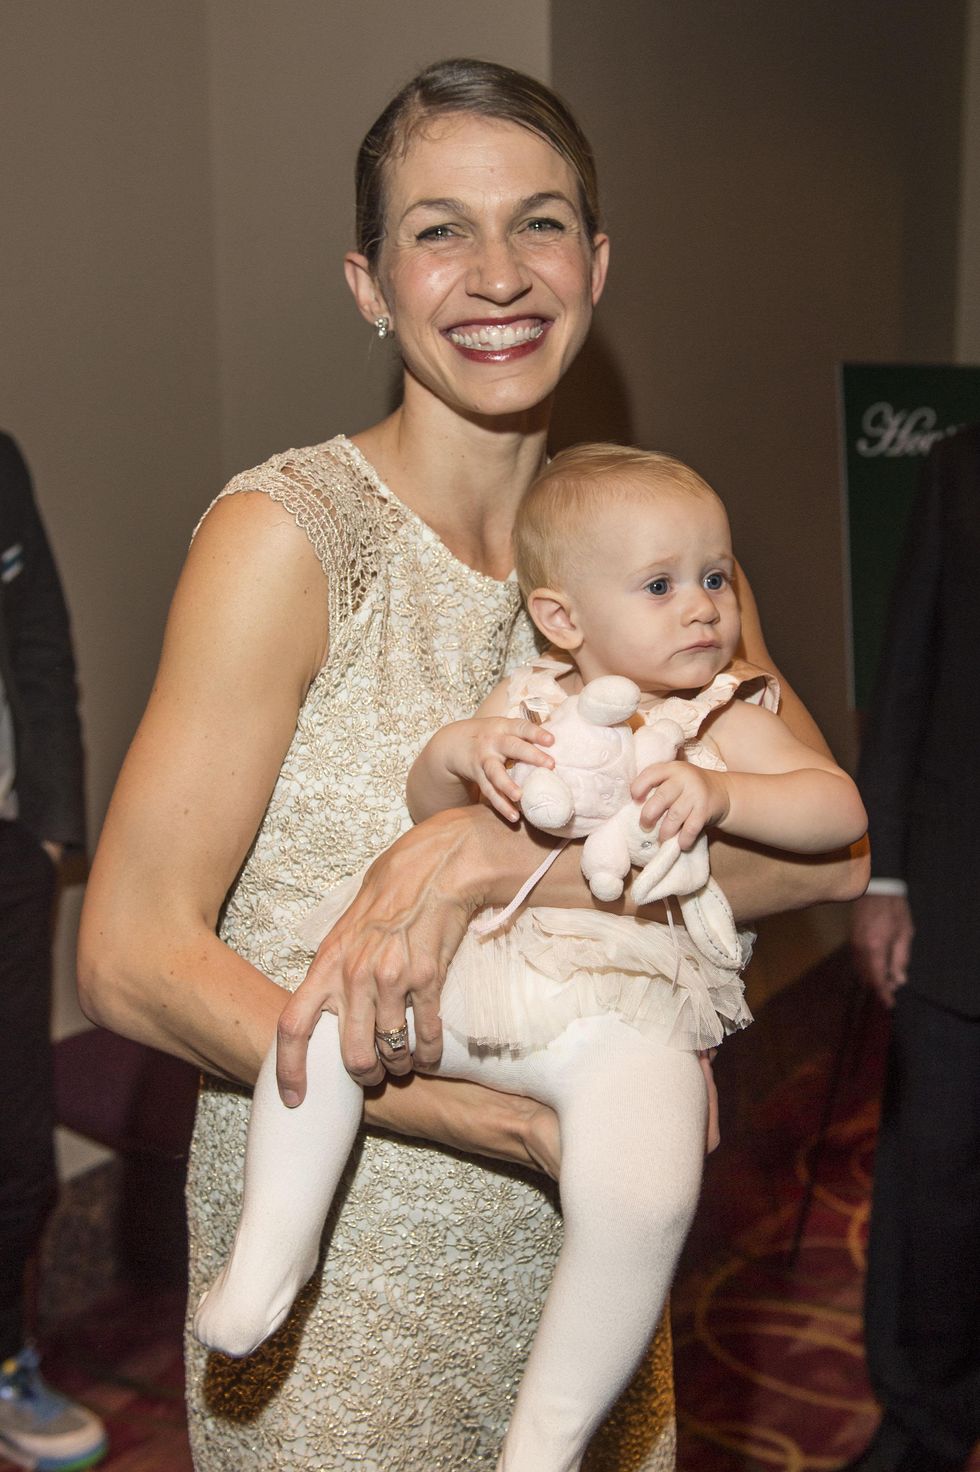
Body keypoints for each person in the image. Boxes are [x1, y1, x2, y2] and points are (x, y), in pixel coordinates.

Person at [77, 59, 868, 1472]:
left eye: (541, 223)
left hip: (589, 1276)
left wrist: (489, 856)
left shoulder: (661, 555)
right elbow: (131, 952)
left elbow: (836, 849)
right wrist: (502, 1122)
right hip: (345, 1294)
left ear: (598, 263)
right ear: (368, 283)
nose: (498, 273)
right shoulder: (290, 539)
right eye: (439, 230)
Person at [193, 445, 867, 1469]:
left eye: (714, 578)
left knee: (643, 1190)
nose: (701, 607)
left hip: (630, 1004)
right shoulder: (532, 693)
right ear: (561, 619)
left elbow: (837, 814)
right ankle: (271, 1256)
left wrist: (727, 794)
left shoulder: (725, 707)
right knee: (331, 1011)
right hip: (494, 964)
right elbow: (433, 814)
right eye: (659, 586)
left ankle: (545, 1439)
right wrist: (455, 756)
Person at [844, 423, 980, 1472]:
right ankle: (920, 1427)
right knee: (930, 1186)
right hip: (952, 903)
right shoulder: (959, 463)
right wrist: (882, 872)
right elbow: (905, 677)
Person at [0, 432, 108, 1471]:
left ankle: (3, 1364)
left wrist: (45, 828)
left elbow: (40, 646)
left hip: (4, 864)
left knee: (17, 1154)